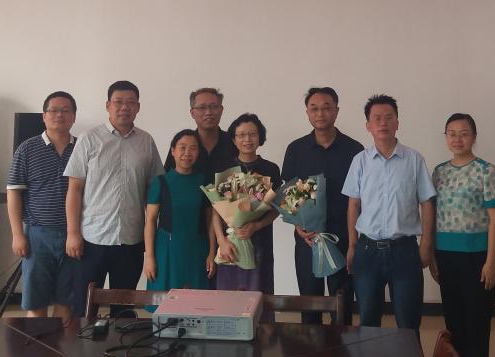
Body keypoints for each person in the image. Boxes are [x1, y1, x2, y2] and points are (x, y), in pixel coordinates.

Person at [64, 80, 164, 317]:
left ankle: (119, 340)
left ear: (138, 107)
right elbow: (74, 189)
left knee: (124, 309)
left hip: (131, 239)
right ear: (108, 105)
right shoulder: (89, 139)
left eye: (130, 103)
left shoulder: (146, 141)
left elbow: (154, 191)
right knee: (85, 308)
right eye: (118, 102)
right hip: (92, 238)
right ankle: (85, 342)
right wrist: (73, 233)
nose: (124, 107)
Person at [342, 94, 436, 330]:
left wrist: (426, 244)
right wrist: (352, 245)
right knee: (368, 321)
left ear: (397, 123)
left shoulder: (414, 159)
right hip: (367, 250)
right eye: (377, 118)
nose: (383, 123)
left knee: (408, 322)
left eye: (388, 117)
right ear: (368, 126)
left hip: (404, 250)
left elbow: (426, 202)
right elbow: (353, 205)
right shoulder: (360, 161)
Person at [430, 113, 495, 357]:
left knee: (476, 324)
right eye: (452, 133)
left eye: (464, 133)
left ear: (474, 136)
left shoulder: (486, 171)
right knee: (455, 324)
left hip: (478, 258)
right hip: (446, 257)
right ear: (446, 137)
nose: (458, 139)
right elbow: (432, 216)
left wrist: (491, 262)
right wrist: (432, 256)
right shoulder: (439, 172)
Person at [282, 87, 363, 325]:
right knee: (310, 306)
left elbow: (360, 197)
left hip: (342, 238)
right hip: (308, 239)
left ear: (336, 111)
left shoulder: (354, 150)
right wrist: (298, 226)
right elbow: (288, 192)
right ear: (307, 112)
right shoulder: (296, 149)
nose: (320, 113)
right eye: (314, 108)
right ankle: (311, 349)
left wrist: (354, 240)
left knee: (342, 306)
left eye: (326, 108)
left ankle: (341, 348)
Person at [5, 90, 78, 321]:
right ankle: (36, 345)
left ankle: (61, 346)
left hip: (74, 236)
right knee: (36, 304)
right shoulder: (27, 149)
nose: (59, 115)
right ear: (44, 116)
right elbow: (14, 192)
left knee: (67, 303)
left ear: (74, 117)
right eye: (53, 110)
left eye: (65, 110)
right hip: (38, 236)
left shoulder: (83, 148)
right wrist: (17, 234)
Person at [213, 112, 280, 293]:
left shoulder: (270, 169)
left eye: (252, 134)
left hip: (260, 242)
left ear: (260, 137)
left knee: (259, 294)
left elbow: (276, 208)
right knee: (228, 298)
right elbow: (215, 210)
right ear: (234, 140)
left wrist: (256, 225)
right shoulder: (224, 168)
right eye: (241, 135)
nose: (247, 139)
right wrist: (221, 240)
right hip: (230, 243)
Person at [144, 129, 215, 292]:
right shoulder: (160, 182)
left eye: (193, 148)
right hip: (167, 251)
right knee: (164, 300)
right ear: (173, 151)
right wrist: (149, 257)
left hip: (197, 251)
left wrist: (212, 253)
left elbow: (211, 221)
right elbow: (150, 221)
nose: (187, 153)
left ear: (198, 152)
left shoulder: (205, 182)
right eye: (182, 147)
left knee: (197, 301)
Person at [166, 87, 237, 181]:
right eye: (202, 107)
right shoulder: (182, 145)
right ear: (192, 113)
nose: (208, 112)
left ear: (221, 110)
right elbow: (167, 180)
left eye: (214, 107)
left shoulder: (235, 142)